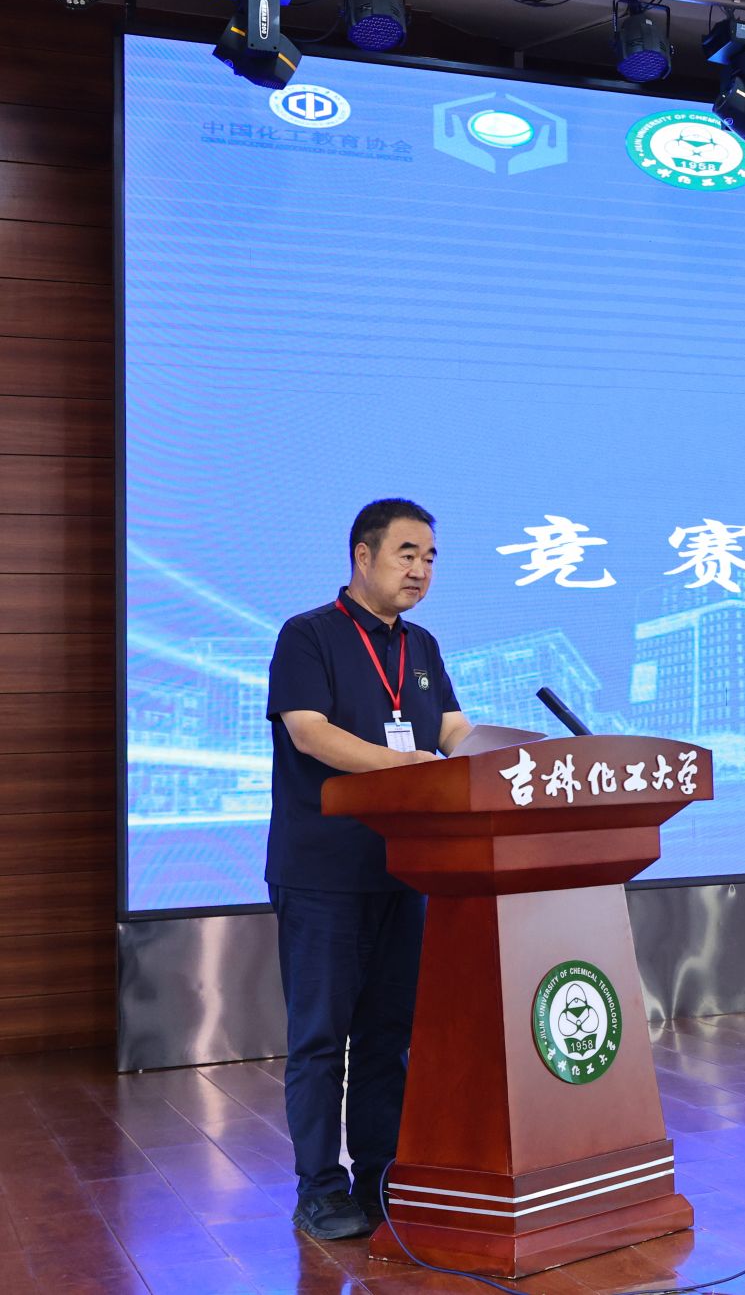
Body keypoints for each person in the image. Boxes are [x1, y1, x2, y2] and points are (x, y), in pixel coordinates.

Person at [265, 499, 472, 1240]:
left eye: (430, 558)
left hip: (403, 870)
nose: (421, 570)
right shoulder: (308, 635)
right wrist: (406, 766)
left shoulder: (421, 645)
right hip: (323, 870)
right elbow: (309, 732)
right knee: (321, 1039)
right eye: (407, 554)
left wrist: (504, 757)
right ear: (363, 555)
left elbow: (451, 728)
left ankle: (379, 1174)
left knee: (387, 1035)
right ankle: (319, 1189)